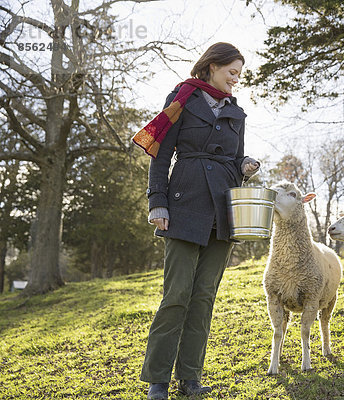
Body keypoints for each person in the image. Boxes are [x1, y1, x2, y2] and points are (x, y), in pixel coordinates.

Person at [132, 42, 260, 400]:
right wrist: (157, 202)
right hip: (183, 204)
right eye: (231, 72)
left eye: (239, 74)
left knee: (204, 298)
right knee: (176, 296)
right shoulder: (183, 97)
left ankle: (190, 377)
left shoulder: (238, 113)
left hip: (223, 210)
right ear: (211, 66)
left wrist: (245, 166)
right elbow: (159, 154)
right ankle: (158, 379)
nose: (236, 79)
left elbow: (234, 160)